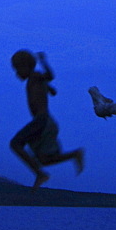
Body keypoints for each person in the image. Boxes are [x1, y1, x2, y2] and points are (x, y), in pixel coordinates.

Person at [9, 49, 84, 187]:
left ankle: (40, 174)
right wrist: (49, 88)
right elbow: (49, 87)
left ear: (26, 66)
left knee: (15, 144)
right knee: (43, 159)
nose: (17, 74)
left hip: (42, 121)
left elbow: (49, 75)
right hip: (44, 121)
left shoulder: (35, 75)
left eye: (18, 69)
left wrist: (43, 61)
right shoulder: (35, 80)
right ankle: (74, 154)